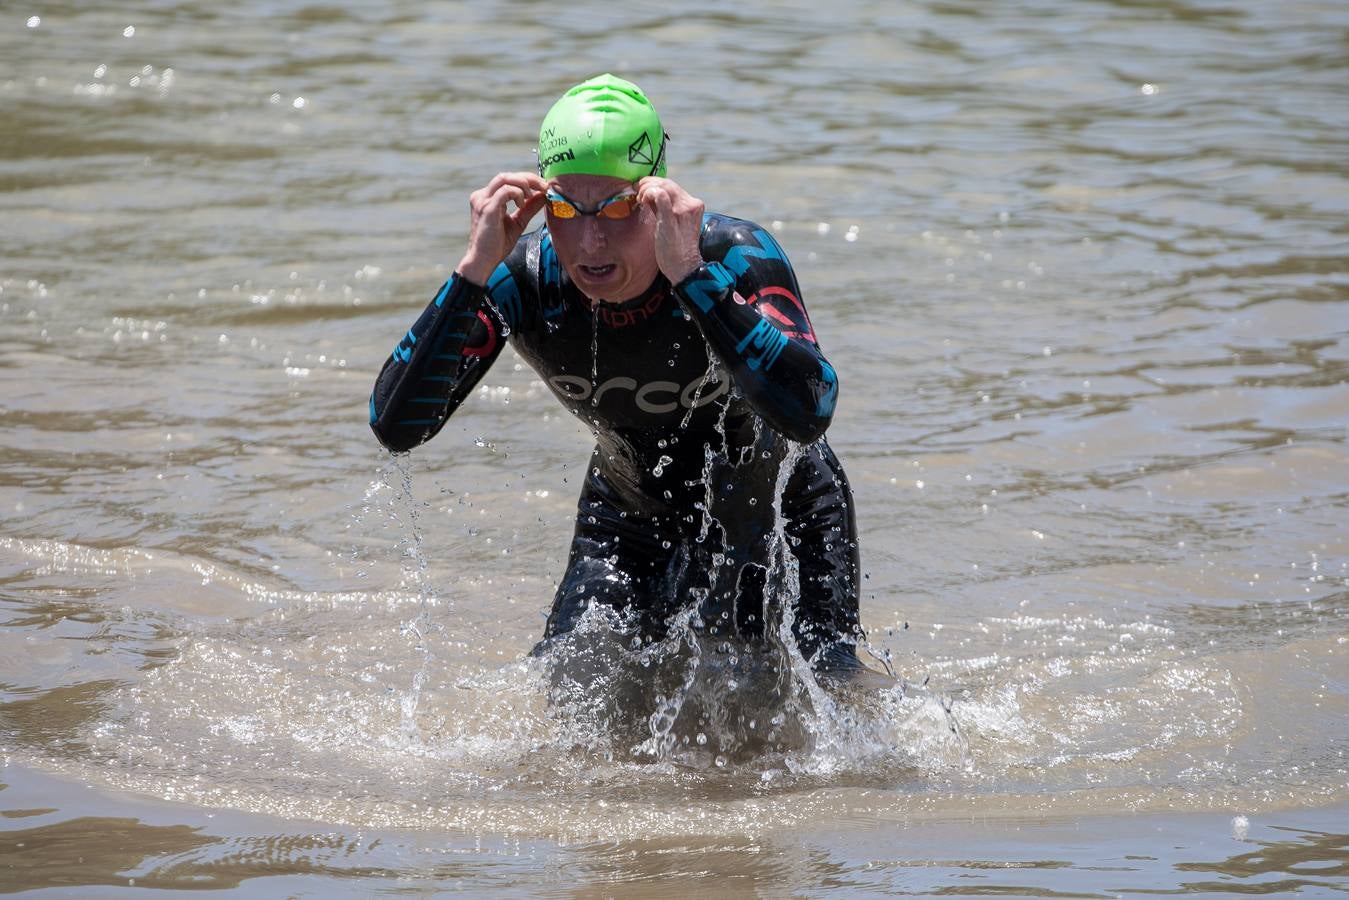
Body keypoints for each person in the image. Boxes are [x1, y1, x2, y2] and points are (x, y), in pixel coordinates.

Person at [370, 74, 866, 673]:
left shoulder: (729, 256)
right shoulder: (522, 279)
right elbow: (396, 426)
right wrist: (472, 270)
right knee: (569, 689)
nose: (590, 240)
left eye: (618, 208)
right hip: (627, 522)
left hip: (780, 516)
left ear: (657, 196)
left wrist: (689, 276)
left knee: (816, 721)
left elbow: (809, 410)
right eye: (564, 209)